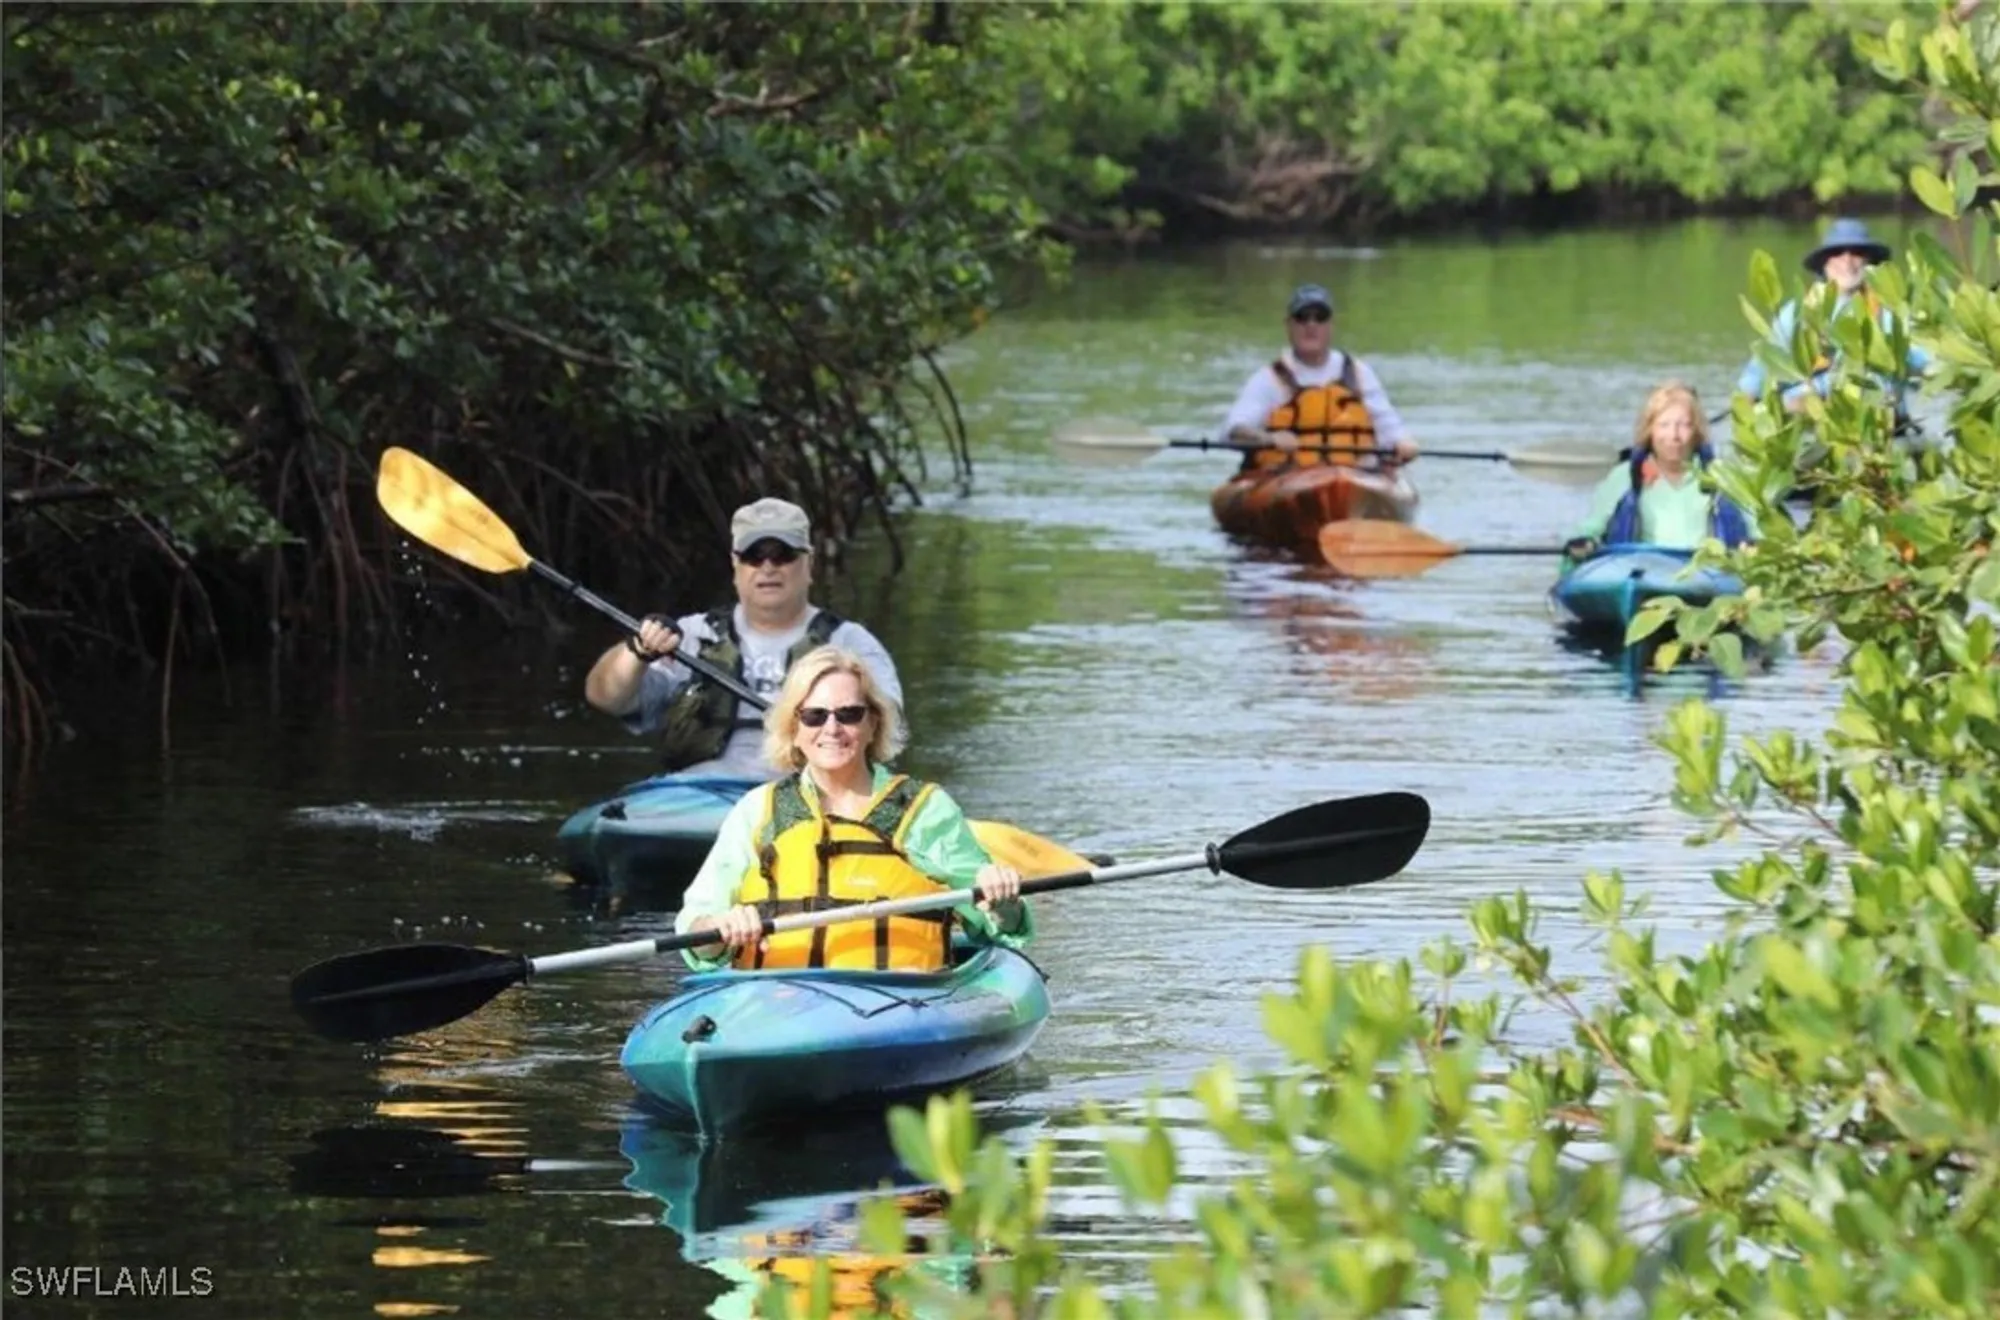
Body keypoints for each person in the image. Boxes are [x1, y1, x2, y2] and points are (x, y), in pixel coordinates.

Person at [674, 646, 1032, 972]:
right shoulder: (758, 811)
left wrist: (1002, 901)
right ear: (793, 727)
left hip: (902, 998)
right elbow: (697, 929)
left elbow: (998, 929)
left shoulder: (923, 812)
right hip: (776, 1000)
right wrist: (716, 929)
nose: (832, 728)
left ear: (873, 722)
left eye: (849, 714)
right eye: (814, 716)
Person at [583, 497, 902, 778]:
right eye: (753, 555)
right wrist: (636, 651)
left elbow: (886, 728)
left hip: (802, 796)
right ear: (735, 564)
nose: (767, 567)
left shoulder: (852, 644)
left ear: (809, 563)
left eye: (783, 554)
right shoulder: (690, 636)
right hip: (695, 795)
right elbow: (606, 698)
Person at [1734, 217, 1930, 416]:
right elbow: (1755, 378)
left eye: (1857, 253)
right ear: (1824, 264)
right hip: (1807, 415)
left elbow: (1923, 364)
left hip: (1878, 419)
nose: (1847, 261)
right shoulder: (1796, 312)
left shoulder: (1889, 311)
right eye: (1837, 253)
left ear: (1869, 261)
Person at [1220, 283, 1422, 474]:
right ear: (1288, 325)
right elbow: (1234, 430)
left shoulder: (1359, 373)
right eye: (1302, 318)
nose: (1311, 325)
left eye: (1320, 317)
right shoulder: (1268, 379)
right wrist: (1269, 438)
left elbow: (1389, 427)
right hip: (1287, 476)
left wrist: (1403, 443)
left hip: (1355, 473)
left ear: (1331, 325)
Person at [1564, 381, 1756, 561]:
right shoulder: (1625, 476)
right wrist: (1583, 542)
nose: (1674, 436)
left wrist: (1755, 545)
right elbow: (1592, 526)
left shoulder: (1724, 475)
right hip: (1642, 571)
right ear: (1650, 431)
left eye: (1684, 425)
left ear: (1697, 431)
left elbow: (1757, 528)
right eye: (1664, 425)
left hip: (1707, 574)